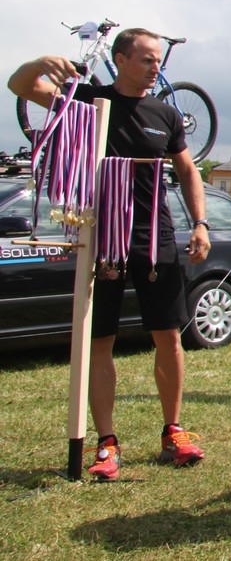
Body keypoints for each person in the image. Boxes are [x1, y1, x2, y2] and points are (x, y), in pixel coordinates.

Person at [8, 29, 210, 481]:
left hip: (154, 237)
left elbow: (187, 170)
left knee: (168, 336)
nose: (155, 67)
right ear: (120, 59)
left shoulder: (165, 114)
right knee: (99, 340)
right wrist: (41, 62)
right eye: (146, 59)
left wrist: (200, 222)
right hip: (100, 238)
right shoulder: (86, 102)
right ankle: (106, 441)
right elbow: (20, 85)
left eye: (157, 60)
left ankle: (173, 432)